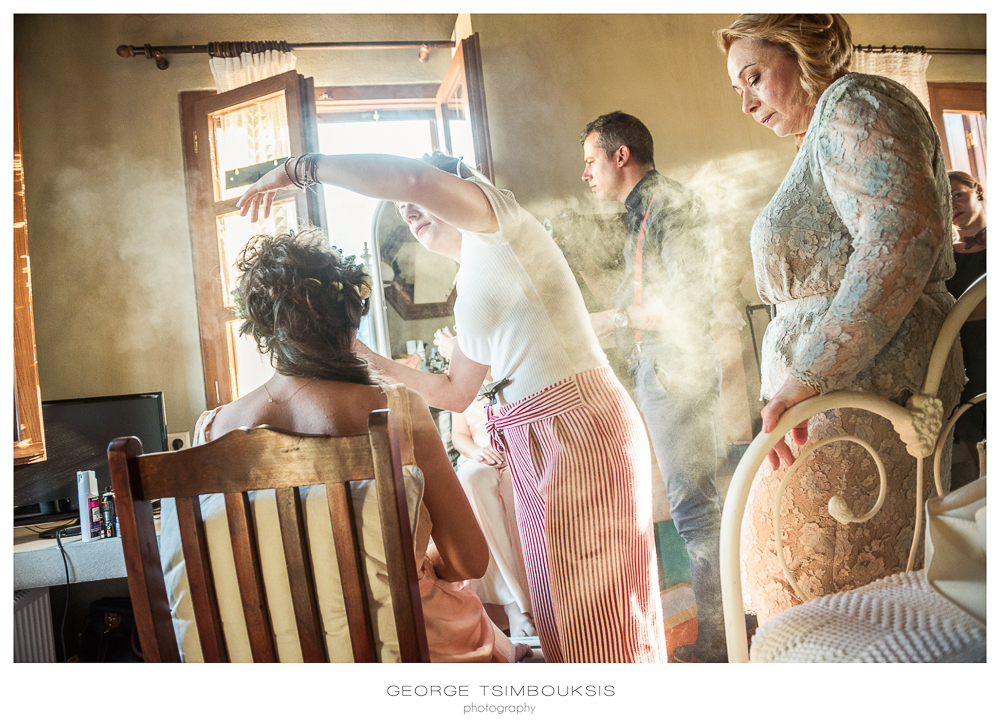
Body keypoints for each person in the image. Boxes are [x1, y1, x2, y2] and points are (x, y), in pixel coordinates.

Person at [237, 152, 666, 663]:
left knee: (604, 607)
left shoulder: (499, 223)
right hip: (531, 438)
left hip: (576, 424)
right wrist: (370, 359)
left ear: (460, 189)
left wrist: (297, 169)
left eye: (417, 200)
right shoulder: (470, 286)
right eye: (401, 207)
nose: (408, 208)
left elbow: (414, 178)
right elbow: (455, 392)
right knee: (563, 612)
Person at [159, 230, 527, 663]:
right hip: (399, 651)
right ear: (350, 320)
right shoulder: (395, 410)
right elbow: (469, 560)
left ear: (261, 327)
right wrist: (414, 562)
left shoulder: (210, 430)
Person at [718, 14, 963, 621]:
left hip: (861, 400)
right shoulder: (825, 128)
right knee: (807, 598)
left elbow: (902, 236)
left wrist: (809, 374)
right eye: (736, 89)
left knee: (830, 604)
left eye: (753, 77)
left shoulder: (856, 102)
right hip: (838, 400)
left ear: (800, 53)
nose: (746, 103)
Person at [581, 111, 726, 662]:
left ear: (622, 155)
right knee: (694, 506)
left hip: (676, 366)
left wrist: (614, 320)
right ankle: (724, 623)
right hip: (658, 367)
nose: (586, 174)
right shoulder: (641, 213)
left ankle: (719, 639)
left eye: (591, 161)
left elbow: (689, 307)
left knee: (696, 510)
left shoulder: (671, 205)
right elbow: (642, 291)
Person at [945, 170, 986, 487]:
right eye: (945, 199)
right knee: (974, 422)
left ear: (978, 191)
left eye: (958, 193)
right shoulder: (945, 261)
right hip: (968, 351)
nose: (953, 202)